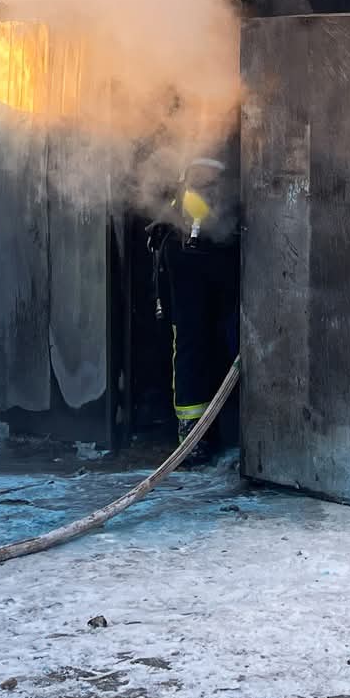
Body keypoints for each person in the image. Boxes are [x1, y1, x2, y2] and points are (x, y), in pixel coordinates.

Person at [146, 155, 238, 466]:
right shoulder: (196, 142)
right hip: (188, 254)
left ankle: (231, 430)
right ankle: (194, 435)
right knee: (191, 341)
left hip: (222, 252)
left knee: (226, 338)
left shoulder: (234, 144)